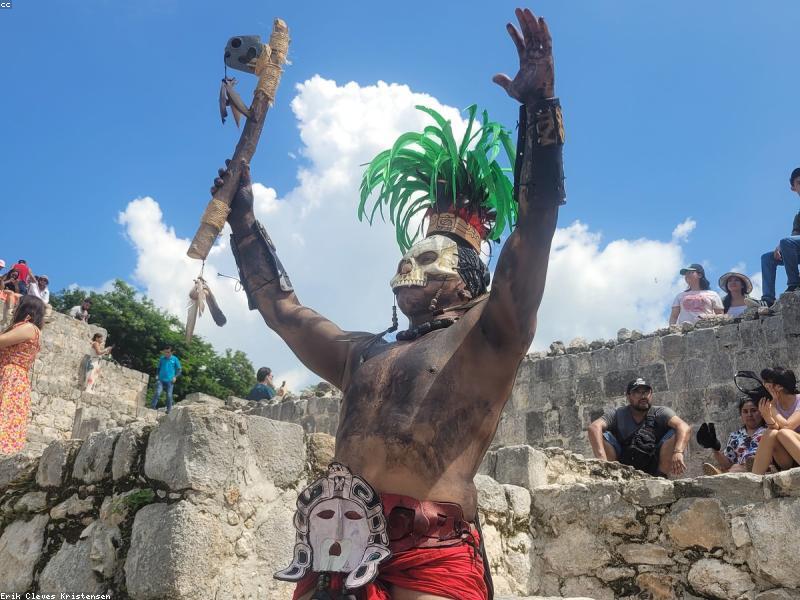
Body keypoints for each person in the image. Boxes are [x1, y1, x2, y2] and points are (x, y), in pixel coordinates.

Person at [213, 8, 564, 599]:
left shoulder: (490, 333)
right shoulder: (362, 354)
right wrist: (244, 223)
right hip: (333, 552)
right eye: (407, 255)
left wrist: (537, 113)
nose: (410, 264)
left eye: (431, 260)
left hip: (430, 553)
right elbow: (282, 310)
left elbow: (536, 224)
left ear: (469, 284)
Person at [587, 377, 692, 477]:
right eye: (637, 392)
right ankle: (611, 473)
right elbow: (594, 427)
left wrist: (678, 452)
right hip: (624, 463)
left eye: (646, 392)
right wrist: (602, 460)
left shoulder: (660, 412)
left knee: (675, 431)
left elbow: (684, 427)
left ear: (651, 395)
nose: (643, 396)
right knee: (604, 436)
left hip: (653, 463)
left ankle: (661, 476)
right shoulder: (618, 414)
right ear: (628, 396)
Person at [0, 295, 45, 454]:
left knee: (5, 418)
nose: (15, 308)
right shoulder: (29, 328)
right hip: (16, 377)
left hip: (11, 376)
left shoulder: (28, 328)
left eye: (19, 305)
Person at [760, 168, 800, 307]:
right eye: (799, 183)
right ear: (793, 188)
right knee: (767, 258)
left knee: (786, 242)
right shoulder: (798, 216)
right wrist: (780, 246)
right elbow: (794, 238)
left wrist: (785, 243)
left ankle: (794, 284)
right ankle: (768, 299)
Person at [696, 398, 766, 475]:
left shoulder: (768, 431)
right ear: (741, 415)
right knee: (735, 467)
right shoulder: (735, 436)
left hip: (762, 467)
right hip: (739, 471)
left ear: (761, 412)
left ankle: (721, 475)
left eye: (753, 410)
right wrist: (714, 447)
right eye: (745, 412)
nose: (749, 414)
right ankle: (725, 474)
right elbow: (728, 463)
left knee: (738, 467)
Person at [751, 367, 800, 474]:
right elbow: (775, 429)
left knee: (784, 433)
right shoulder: (774, 404)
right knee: (771, 432)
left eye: (767, 382)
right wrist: (767, 416)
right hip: (787, 459)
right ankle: (755, 477)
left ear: (779, 387)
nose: (764, 385)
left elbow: (788, 426)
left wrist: (771, 408)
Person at [150, 345, 182, 414]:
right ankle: (152, 407)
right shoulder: (162, 359)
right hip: (161, 380)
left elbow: (179, 370)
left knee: (169, 395)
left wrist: (175, 377)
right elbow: (158, 368)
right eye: (165, 352)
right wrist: (157, 375)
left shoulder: (175, 359)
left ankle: (169, 410)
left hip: (170, 381)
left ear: (171, 352)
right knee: (158, 393)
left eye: (168, 352)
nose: (166, 354)